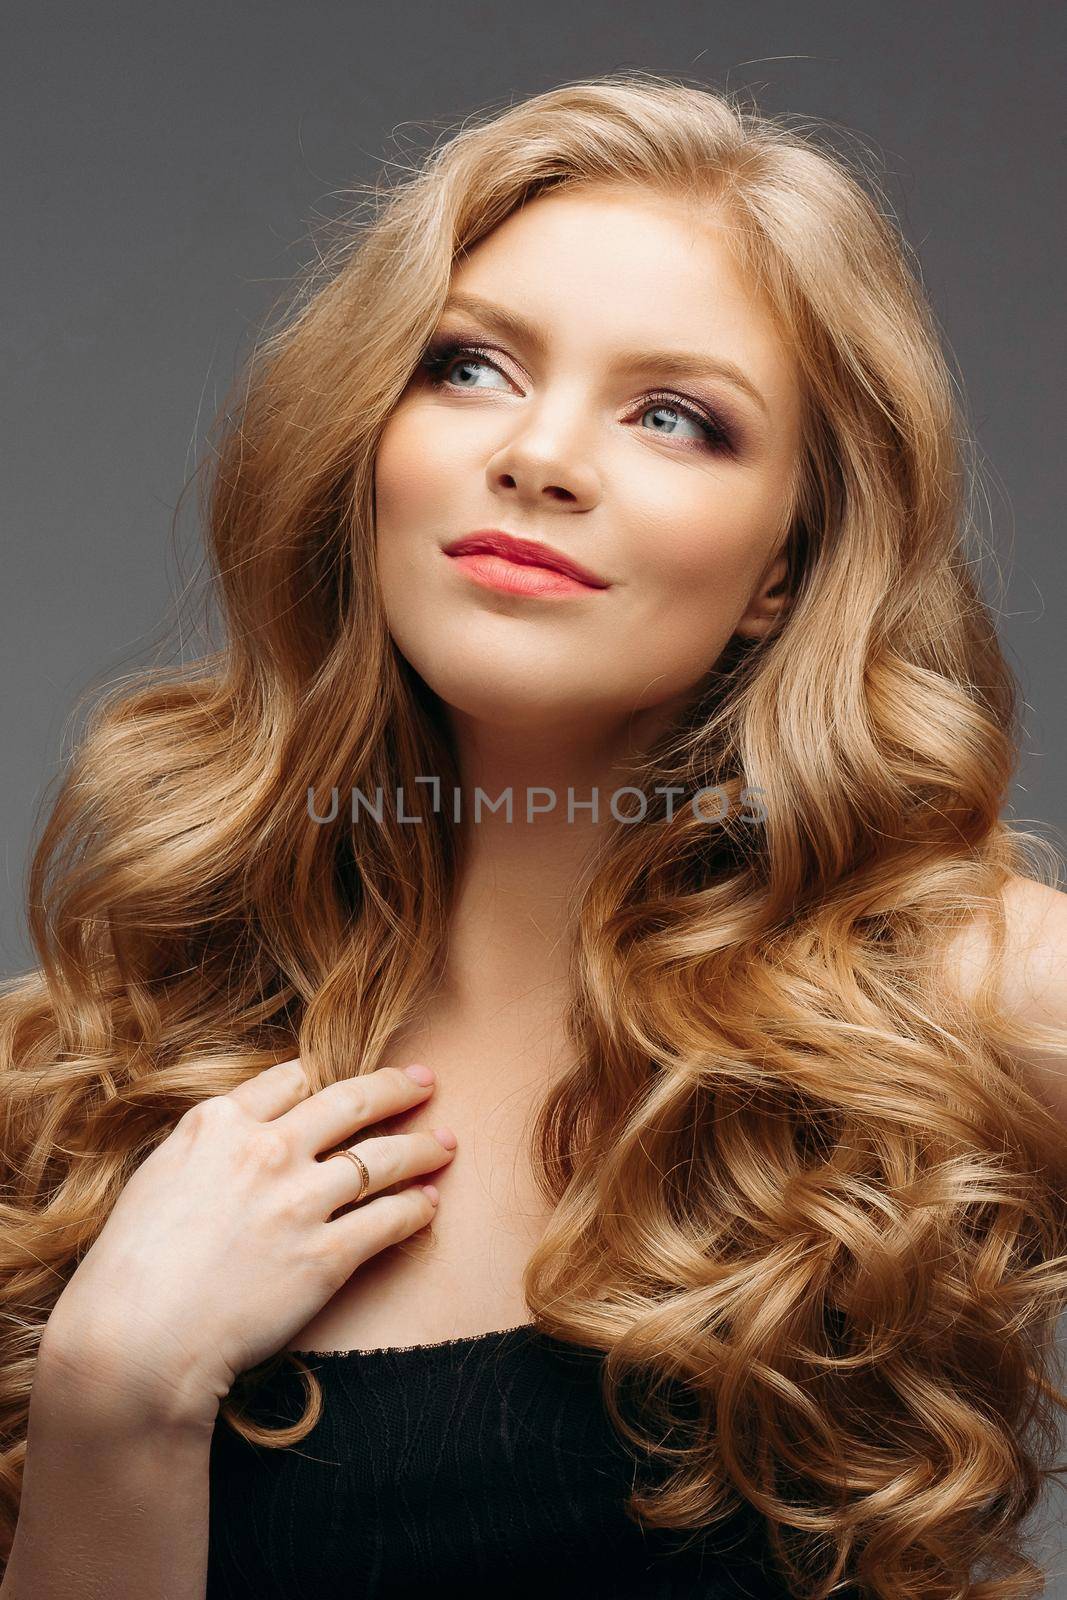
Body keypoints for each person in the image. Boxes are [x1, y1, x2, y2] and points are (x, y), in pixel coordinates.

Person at [2, 69, 1067, 1600]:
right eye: (470, 368)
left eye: (677, 417)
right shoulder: (88, 1079)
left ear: (783, 570)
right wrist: (115, 1392)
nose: (543, 454)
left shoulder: (953, 997)